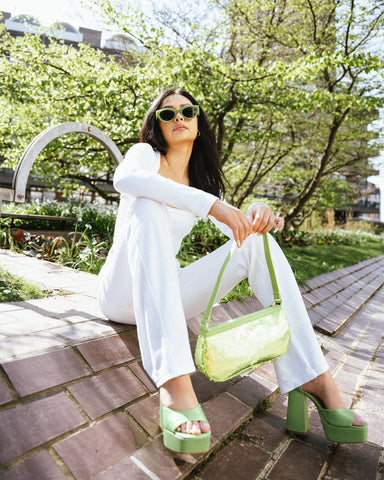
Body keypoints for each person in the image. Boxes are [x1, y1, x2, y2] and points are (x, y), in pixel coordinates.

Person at [97, 88, 367, 454]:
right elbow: (124, 180)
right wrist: (212, 206)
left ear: (197, 122)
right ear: (156, 126)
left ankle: (312, 377)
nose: (178, 117)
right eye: (167, 114)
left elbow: (239, 225)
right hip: (120, 293)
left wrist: (256, 210)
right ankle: (175, 385)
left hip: (167, 292)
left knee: (256, 244)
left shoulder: (200, 182)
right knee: (148, 205)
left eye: (187, 111)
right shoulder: (144, 156)